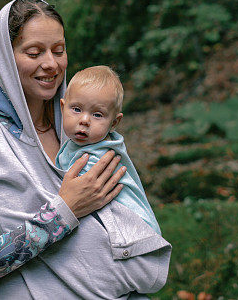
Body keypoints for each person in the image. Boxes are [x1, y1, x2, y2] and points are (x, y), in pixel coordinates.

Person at [0, 0, 171, 299]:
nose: (50, 64)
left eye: (58, 51)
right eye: (34, 52)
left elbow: (128, 230)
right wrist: (64, 211)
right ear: (5, 59)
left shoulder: (82, 133)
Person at [56, 66, 162, 235]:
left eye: (97, 115)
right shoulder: (78, 146)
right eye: (76, 109)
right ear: (62, 108)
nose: (84, 120)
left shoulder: (95, 158)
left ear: (114, 123)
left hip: (135, 230)